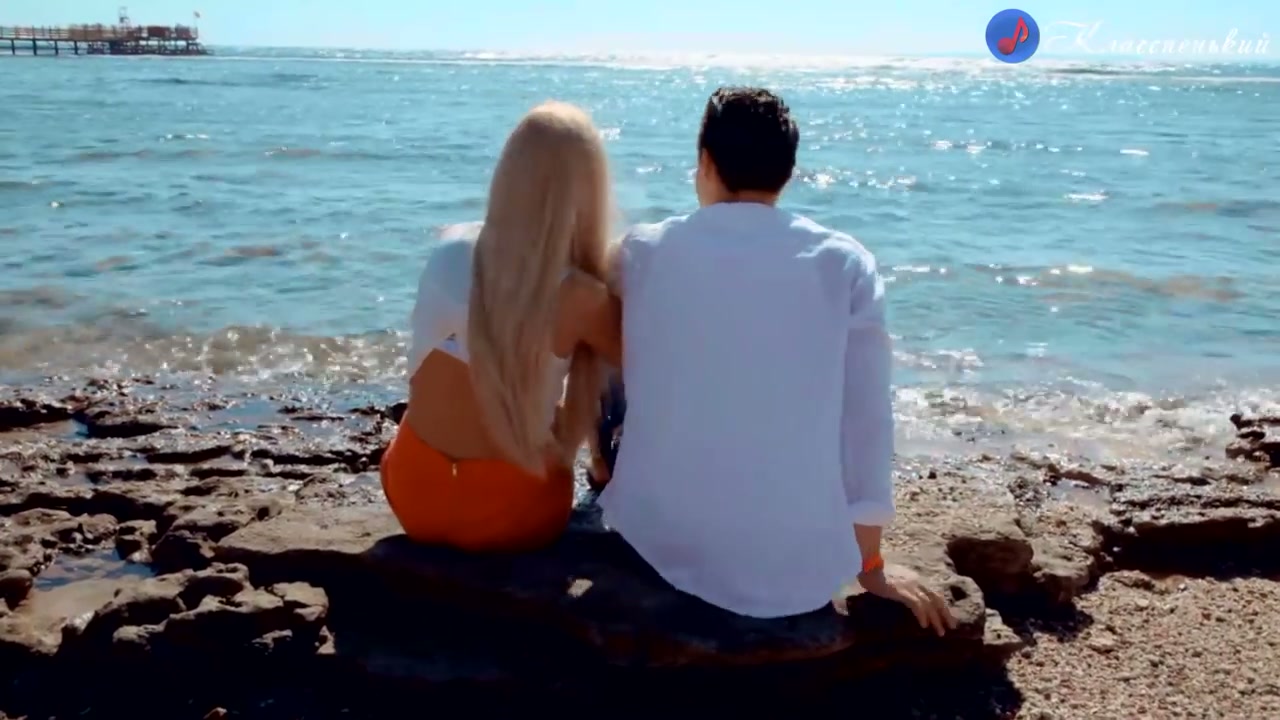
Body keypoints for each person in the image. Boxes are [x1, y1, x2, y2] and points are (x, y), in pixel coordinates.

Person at [596, 87, 955, 634]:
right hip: (796, 564)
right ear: (787, 172)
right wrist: (871, 564)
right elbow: (866, 420)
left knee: (615, 340)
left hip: (659, 536)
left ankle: (605, 476)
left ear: (705, 162)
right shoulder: (844, 263)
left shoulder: (642, 250)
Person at [380, 100, 622, 552]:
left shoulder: (451, 243)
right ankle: (605, 470)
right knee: (617, 366)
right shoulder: (578, 292)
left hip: (413, 489)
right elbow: (639, 367)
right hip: (511, 510)